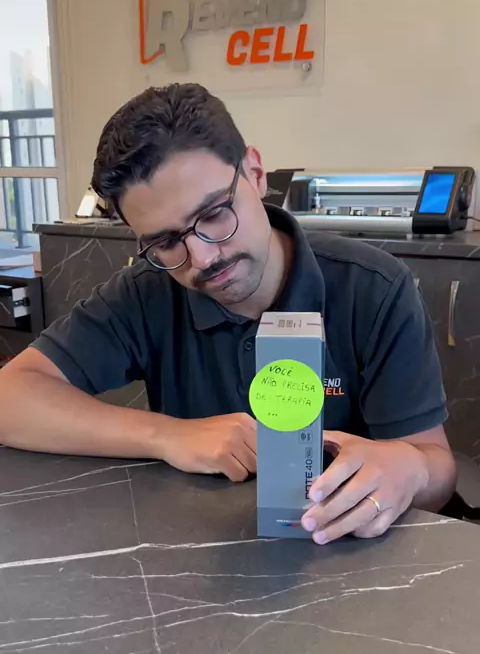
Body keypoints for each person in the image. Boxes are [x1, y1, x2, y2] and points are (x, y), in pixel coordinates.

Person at [0, 84, 455, 544]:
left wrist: (410, 469)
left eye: (215, 213)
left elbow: (437, 473)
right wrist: (167, 436)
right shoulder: (146, 292)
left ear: (255, 174)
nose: (202, 258)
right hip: (203, 552)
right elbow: (10, 397)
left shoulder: (373, 287)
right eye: (165, 241)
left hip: (347, 553)